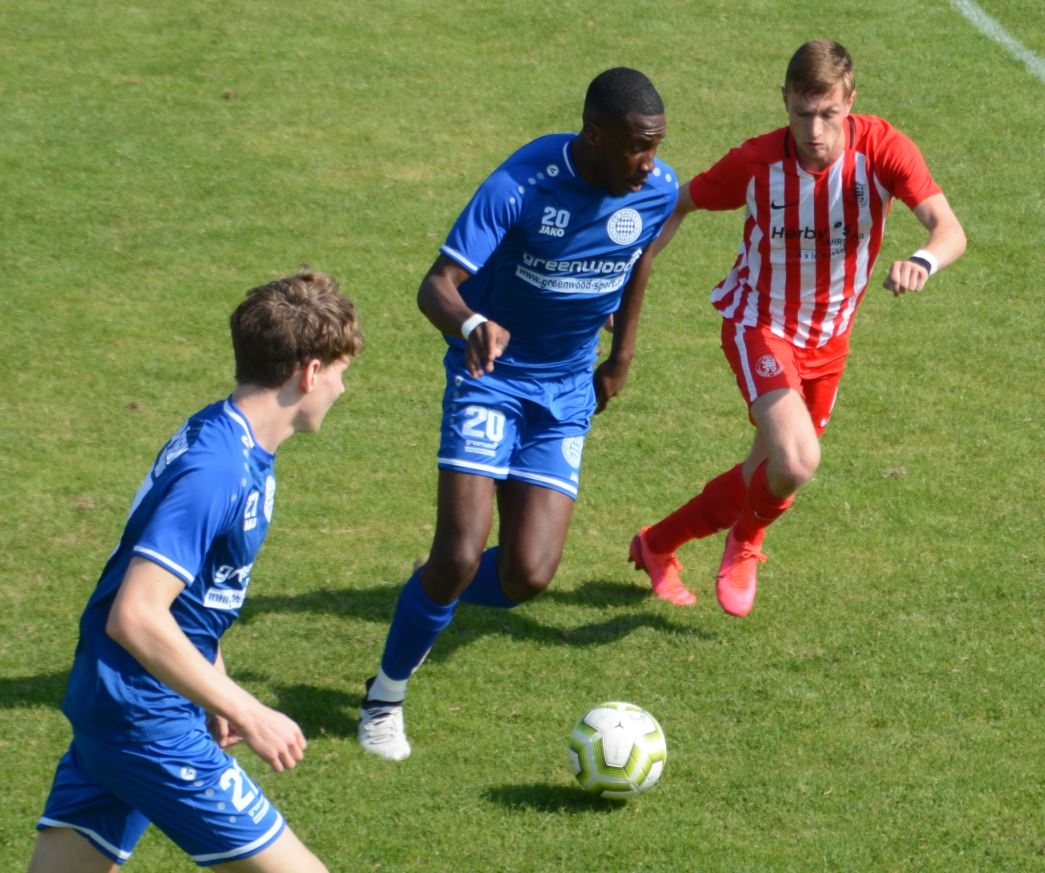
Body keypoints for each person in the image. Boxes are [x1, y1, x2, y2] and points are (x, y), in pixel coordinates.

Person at [356, 67, 679, 761]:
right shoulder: (520, 184)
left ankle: (432, 586)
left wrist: (620, 356)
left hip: (564, 392)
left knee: (527, 574)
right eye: (636, 147)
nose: (649, 163)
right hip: (492, 379)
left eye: (655, 146)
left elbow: (639, 258)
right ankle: (383, 697)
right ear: (594, 135)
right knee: (460, 551)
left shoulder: (654, 190)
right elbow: (435, 285)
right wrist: (472, 322)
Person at [28, 271, 364, 872]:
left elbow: (196, 595)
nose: (342, 388)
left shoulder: (231, 437)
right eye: (340, 372)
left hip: (123, 706)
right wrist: (248, 709)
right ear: (310, 372)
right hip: (146, 720)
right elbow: (136, 614)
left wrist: (211, 681)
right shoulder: (217, 471)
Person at [629, 39, 967, 616]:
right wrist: (625, 282)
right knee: (797, 461)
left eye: (828, 113)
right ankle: (746, 543)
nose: (815, 131)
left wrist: (923, 260)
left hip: (829, 340)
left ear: (850, 102)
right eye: (802, 113)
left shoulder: (883, 149)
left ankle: (657, 544)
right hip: (759, 324)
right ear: (784, 99)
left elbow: (950, 230)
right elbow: (678, 203)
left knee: (764, 472)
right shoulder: (756, 162)